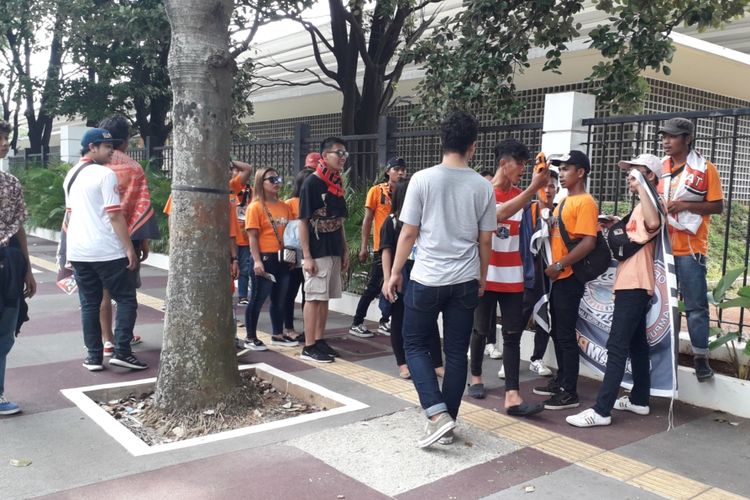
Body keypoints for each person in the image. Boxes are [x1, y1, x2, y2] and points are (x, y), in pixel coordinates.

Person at [384, 111, 496, 448]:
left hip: (427, 278)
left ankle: (437, 415)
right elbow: (486, 240)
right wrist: (482, 277)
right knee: (457, 352)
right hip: (464, 279)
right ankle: (448, 419)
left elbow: (408, 233)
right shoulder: (481, 186)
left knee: (414, 343)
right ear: (472, 147)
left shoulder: (421, 179)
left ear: (441, 142)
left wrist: (393, 273)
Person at [567, 153, 664, 427]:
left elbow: (654, 224)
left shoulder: (653, 204)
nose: (629, 178)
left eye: (634, 173)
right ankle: (640, 400)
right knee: (636, 345)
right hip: (633, 283)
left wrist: (644, 186)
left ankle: (601, 411)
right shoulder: (641, 207)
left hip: (634, 285)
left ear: (649, 177)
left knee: (617, 346)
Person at [466, 139, 549, 418]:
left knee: (512, 334)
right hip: (484, 274)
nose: (524, 169)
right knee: (480, 329)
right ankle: (476, 376)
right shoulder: (483, 192)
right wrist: (533, 188)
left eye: (527, 164)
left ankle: (512, 395)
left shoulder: (521, 195)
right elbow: (497, 214)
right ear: (504, 163)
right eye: (520, 163)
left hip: (513, 275)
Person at [64, 128, 146, 371]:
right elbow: (115, 215)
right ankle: (122, 351)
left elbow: (69, 216)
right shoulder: (104, 174)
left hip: (78, 251)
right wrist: (129, 248)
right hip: (107, 251)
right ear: (92, 147)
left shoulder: (70, 175)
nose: (111, 150)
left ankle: (93, 357)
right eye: (106, 146)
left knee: (90, 304)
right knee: (127, 299)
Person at [658, 118, 724, 381]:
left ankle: (700, 357)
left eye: (672, 137)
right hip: (661, 247)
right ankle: (665, 353)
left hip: (690, 249)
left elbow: (717, 206)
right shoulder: (660, 167)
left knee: (696, 307)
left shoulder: (706, 169)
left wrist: (685, 205)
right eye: (664, 136)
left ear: (688, 139)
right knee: (663, 305)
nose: (666, 141)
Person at [535, 150, 598, 410]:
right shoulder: (563, 202)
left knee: (565, 335)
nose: (561, 173)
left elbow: (588, 241)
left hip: (568, 276)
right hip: (558, 276)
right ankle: (562, 380)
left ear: (580, 172)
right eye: (560, 169)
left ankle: (569, 392)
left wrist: (560, 264)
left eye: (566, 169)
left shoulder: (585, 202)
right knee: (558, 332)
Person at [97, 115, 160, 357]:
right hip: (128, 239)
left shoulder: (93, 165)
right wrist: (142, 241)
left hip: (98, 238)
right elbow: (140, 206)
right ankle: (125, 337)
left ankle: (107, 341)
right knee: (126, 295)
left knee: (102, 291)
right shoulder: (133, 168)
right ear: (125, 140)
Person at [381, 178, 444, 380]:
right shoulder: (391, 222)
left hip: (424, 275)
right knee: (399, 320)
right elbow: (386, 252)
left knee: (430, 319)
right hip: (402, 276)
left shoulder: (425, 219)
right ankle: (403, 363)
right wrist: (389, 277)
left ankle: (437, 363)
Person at [298, 137, 349, 363]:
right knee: (314, 296)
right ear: (325, 155)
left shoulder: (336, 183)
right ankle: (308, 346)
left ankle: (319, 340)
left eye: (344, 153)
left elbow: (340, 220)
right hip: (317, 249)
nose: (342, 157)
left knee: (325, 297)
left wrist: (345, 250)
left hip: (333, 246)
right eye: (339, 153)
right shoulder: (312, 183)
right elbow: (303, 221)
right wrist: (307, 255)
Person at [0, 120, 36, 415]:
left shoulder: (11, 183)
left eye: (6, 137)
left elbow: (20, 227)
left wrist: (28, 269)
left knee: (6, 331)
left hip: (9, 264)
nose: (3, 143)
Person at [350, 156, 407, 338]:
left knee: (397, 286)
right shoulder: (376, 191)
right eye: (396, 168)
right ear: (387, 171)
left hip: (402, 248)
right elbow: (367, 220)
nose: (400, 172)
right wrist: (364, 246)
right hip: (381, 247)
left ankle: (385, 321)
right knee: (374, 285)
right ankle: (357, 321)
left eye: (403, 169)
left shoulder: (407, 191)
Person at [243, 167, 296, 350]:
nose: (276, 182)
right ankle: (250, 337)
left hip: (282, 258)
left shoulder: (285, 206)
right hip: (264, 258)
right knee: (257, 299)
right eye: (271, 179)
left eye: (277, 178)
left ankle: (278, 334)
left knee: (279, 299)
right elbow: (252, 237)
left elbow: (291, 233)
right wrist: (257, 261)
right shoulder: (255, 207)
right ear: (261, 183)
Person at [518, 164, 559, 377]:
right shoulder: (528, 210)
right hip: (529, 274)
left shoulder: (560, 211)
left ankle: (537, 358)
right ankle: (510, 360)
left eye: (552, 186)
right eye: (544, 185)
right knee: (519, 317)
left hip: (552, 274)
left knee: (546, 317)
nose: (548, 190)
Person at [283, 168, 314, 343]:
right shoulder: (291, 203)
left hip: (311, 254)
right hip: (295, 256)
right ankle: (289, 328)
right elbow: (287, 234)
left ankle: (308, 329)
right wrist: (288, 258)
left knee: (308, 292)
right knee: (291, 292)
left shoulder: (314, 202)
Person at [229, 161, 254, 305]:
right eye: (233, 170)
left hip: (243, 237)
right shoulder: (229, 186)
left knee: (244, 268)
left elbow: (248, 168)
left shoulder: (235, 187)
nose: (236, 173)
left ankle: (242, 296)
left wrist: (229, 159)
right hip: (228, 240)